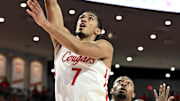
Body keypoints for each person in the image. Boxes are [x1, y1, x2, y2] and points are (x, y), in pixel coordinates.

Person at [26, 0, 114, 101]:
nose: (84, 20)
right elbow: (52, 4)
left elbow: (80, 48)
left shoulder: (105, 46)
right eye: (81, 18)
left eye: (90, 19)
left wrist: (44, 23)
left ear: (97, 31)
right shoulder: (62, 44)